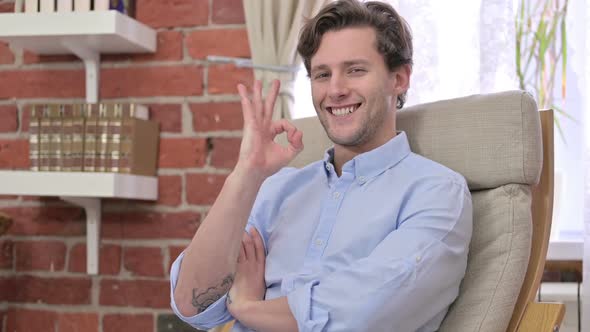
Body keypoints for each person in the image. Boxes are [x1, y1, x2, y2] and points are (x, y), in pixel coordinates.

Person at [170, 0, 472, 331]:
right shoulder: (276, 188)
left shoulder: (437, 192)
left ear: (398, 79)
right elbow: (193, 303)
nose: (336, 90)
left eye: (355, 70)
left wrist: (245, 306)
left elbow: (362, 313)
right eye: (322, 74)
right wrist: (247, 173)